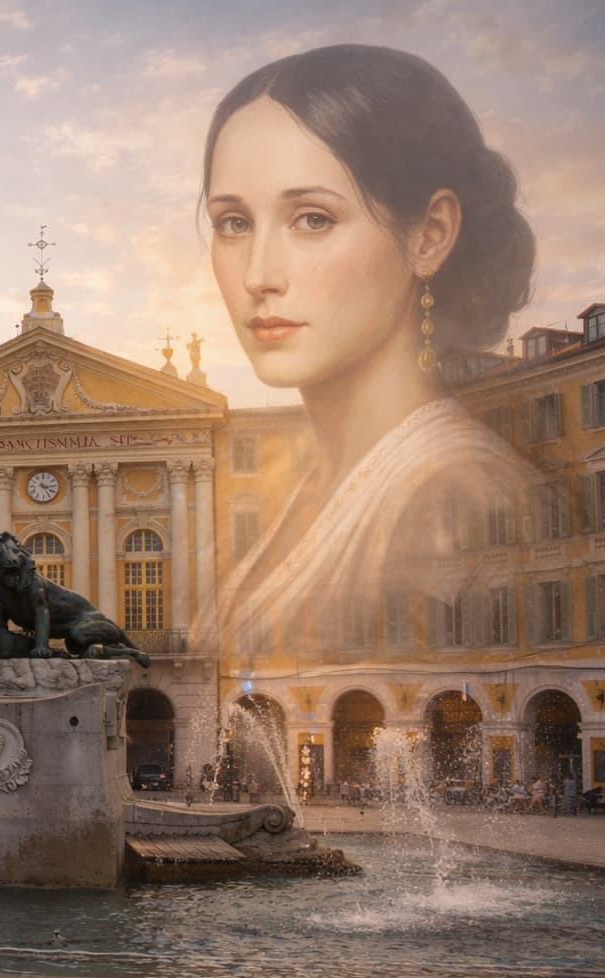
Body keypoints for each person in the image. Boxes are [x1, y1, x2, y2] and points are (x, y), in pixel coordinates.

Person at [203, 45, 537, 646]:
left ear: (429, 237)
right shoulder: (325, 478)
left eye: (312, 219)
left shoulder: (454, 484)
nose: (258, 275)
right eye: (234, 223)